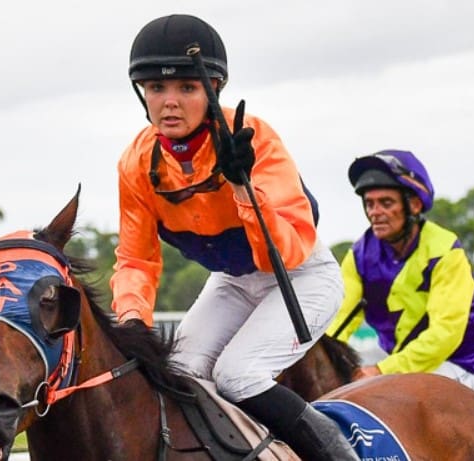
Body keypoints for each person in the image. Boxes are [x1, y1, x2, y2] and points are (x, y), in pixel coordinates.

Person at [110, 13, 358, 460]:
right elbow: (136, 260)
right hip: (231, 280)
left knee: (238, 374)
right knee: (180, 375)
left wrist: (243, 187)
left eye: (187, 88)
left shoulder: (256, 139)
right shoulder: (135, 163)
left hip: (301, 276)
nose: (169, 103)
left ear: (213, 89)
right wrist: (131, 320)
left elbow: (282, 252)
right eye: (157, 88)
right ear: (141, 94)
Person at [326, 149, 474, 390]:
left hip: (453, 362)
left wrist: (383, 370)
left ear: (413, 205)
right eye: (369, 204)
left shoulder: (445, 252)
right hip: (395, 359)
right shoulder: (359, 255)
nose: (374, 212)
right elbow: (337, 321)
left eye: (386, 203)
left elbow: (445, 334)